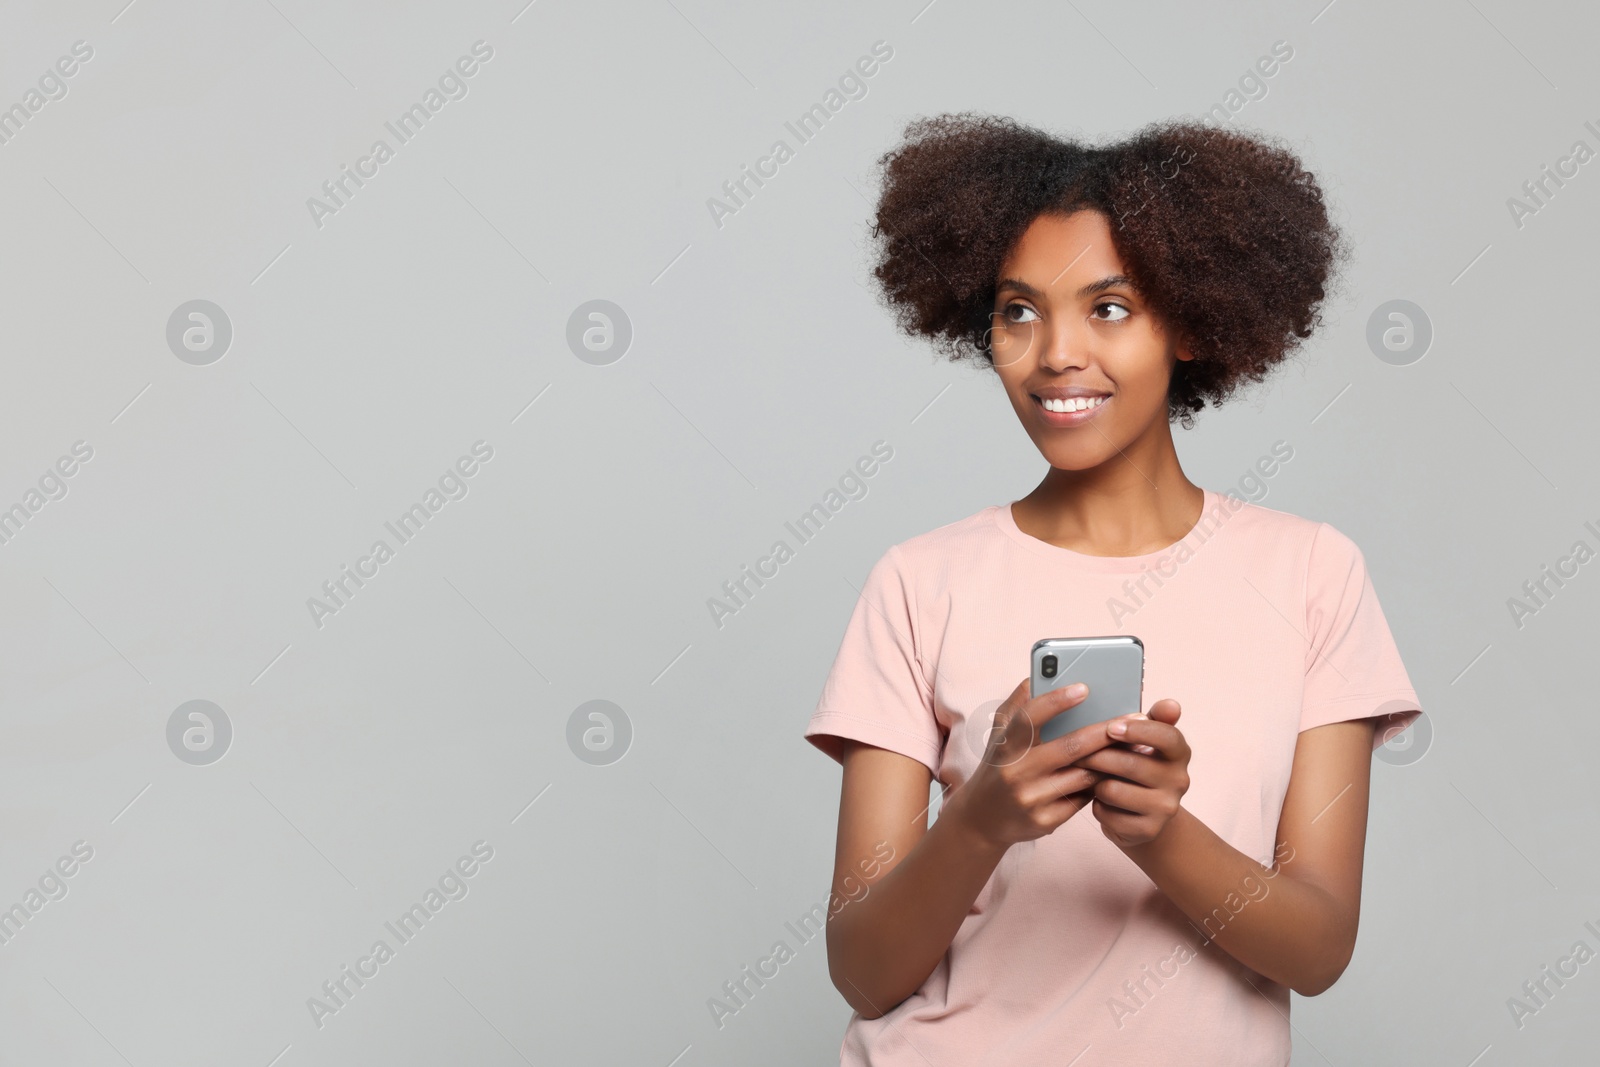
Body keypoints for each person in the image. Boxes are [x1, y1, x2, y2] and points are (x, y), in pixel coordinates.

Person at [802, 112, 1423, 1066]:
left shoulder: (1311, 574)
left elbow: (1318, 946)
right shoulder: (919, 581)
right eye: (1018, 310)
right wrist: (982, 821)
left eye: (1109, 307)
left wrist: (1160, 833)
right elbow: (862, 966)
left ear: (1189, 323)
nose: (1054, 354)